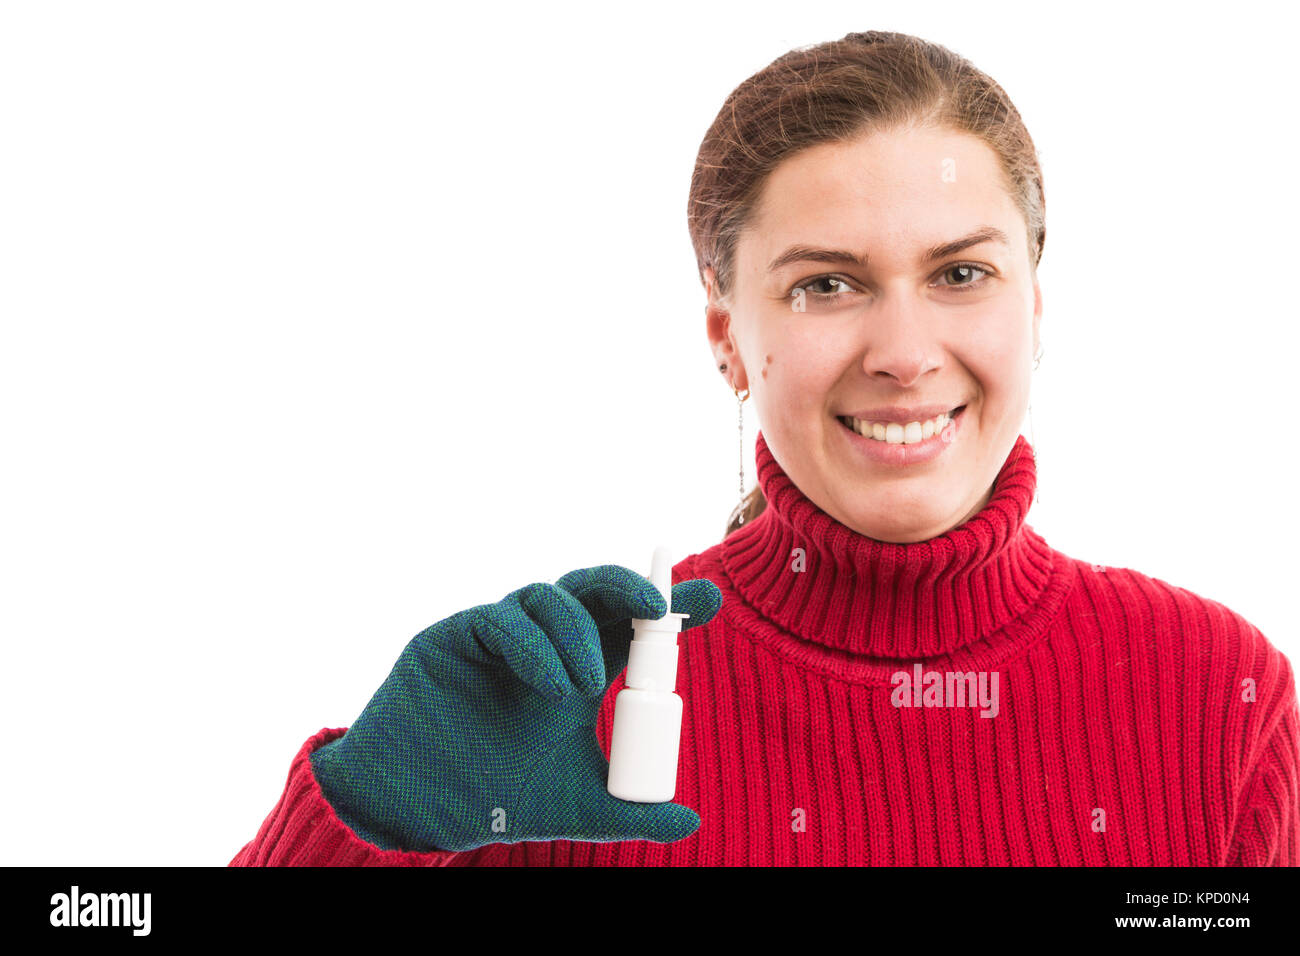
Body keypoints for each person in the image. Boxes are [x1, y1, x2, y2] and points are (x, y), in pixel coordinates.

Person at [230, 30, 1298, 866]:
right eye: (823, 284)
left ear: (1034, 303)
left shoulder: (1218, 695)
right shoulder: (564, 723)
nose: (904, 352)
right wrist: (365, 816)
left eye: (960, 273)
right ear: (726, 338)